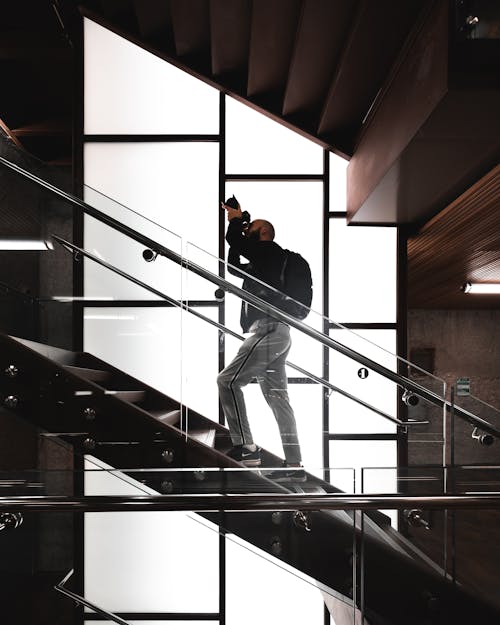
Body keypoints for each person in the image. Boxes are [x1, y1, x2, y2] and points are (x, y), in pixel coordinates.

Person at [217, 197, 305, 482]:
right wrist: (241, 229)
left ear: (263, 233)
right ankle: (294, 467)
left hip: (268, 330)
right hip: (277, 332)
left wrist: (236, 219)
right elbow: (234, 267)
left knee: (228, 381)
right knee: (279, 400)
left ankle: (246, 448)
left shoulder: (270, 251)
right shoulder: (265, 263)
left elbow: (240, 244)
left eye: (252, 228)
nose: (248, 230)